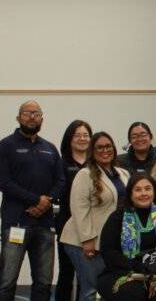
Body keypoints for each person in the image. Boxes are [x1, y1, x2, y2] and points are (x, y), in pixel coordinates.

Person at [0, 100, 65, 301]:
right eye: (27, 113)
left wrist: (46, 201)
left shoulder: (50, 148)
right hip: (16, 223)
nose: (32, 117)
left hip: (45, 225)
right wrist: (35, 200)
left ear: (42, 118)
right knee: (7, 282)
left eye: (37, 113)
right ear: (18, 117)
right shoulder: (6, 145)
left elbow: (60, 181)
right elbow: (4, 182)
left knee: (43, 283)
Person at [60, 132, 130, 301]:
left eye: (108, 146)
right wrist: (87, 240)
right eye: (99, 147)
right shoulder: (85, 174)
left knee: (106, 289)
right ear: (92, 151)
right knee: (91, 289)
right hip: (83, 241)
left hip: (109, 241)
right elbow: (78, 208)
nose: (105, 150)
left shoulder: (123, 173)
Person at [96, 174, 156, 301]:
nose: (143, 193)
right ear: (130, 194)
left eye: (148, 188)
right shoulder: (118, 217)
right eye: (138, 189)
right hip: (122, 272)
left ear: (154, 192)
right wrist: (135, 266)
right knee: (133, 293)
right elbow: (108, 251)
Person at [55, 119, 92, 301]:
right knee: (66, 271)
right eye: (77, 135)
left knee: (86, 274)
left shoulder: (95, 164)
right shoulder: (61, 163)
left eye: (86, 135)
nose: (82, 139)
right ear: (69, 139)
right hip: (67, 224)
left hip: (91, 225)